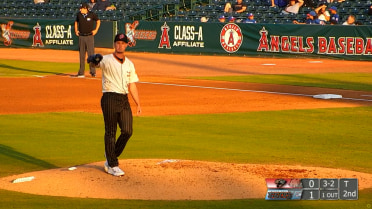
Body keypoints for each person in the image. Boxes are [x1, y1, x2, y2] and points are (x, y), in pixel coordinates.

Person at [90, 33, 141, 177]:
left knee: (127, 131)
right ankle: (112, 164)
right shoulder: (106, 60)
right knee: (111, 132)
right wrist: (93, 60)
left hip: (124, 100)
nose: (120, 45)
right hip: (110, 97)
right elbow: (96, 63)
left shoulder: (129, 64)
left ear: (126, 45)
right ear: (114, 44)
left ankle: (110, 154)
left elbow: (132, 85)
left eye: (123, 43)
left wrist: (138, 103)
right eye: (118, 42)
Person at [74, 3, 101, 77]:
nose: (80, 9)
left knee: (91, 55)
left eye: (82, 8)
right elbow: (76, 22)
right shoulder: (79, 15)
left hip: (89, 36)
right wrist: (76, 30)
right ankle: (81, 72)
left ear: (85, 8)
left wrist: (96, 30)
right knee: (82, 55)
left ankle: (93, 72)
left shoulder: (92, 14)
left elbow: (98, 21)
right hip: (81, 36)